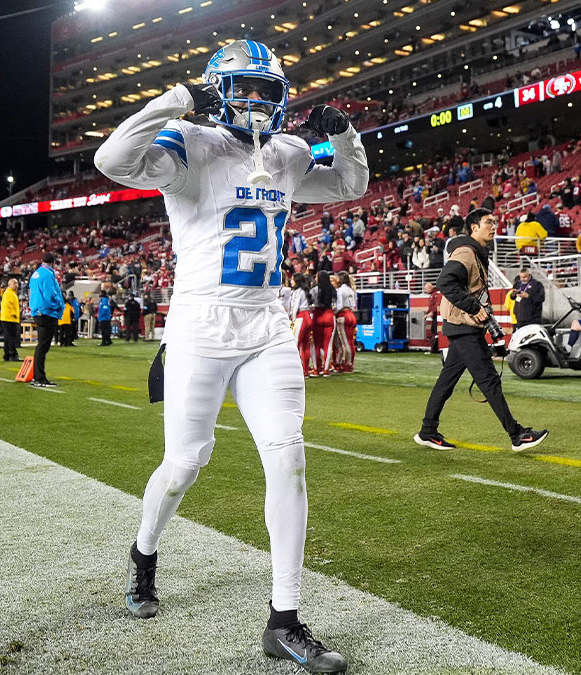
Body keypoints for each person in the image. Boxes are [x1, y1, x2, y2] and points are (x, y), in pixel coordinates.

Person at [94, 37, 367, 672]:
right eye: (241, 88)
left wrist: (347, 133)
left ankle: (285, 620)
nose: (254, 101)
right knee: (186, 463)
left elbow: (350, 184)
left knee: (287, 456)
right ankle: (144, 553)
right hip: (199, 324)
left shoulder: (291, 153)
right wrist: (176, 101)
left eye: (266, 90)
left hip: (268, 323)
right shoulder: (189, 142)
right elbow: (113, 158)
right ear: (218, 93)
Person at [414, 209, 549, 453]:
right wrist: (474, 308)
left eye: (496, 222)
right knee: (489, 381)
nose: (494, 226)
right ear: (474, 227)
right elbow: (445, 282)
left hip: (462, 326)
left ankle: (427, 431)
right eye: (489, 222)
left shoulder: (473, 252)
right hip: (464, 326)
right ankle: (517, 435)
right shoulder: (466, 252)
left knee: (446, 382)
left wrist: (485, 319)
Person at [28, 253, 64, 387]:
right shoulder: (48, 275)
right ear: (53, 263)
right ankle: (39, 377)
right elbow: (50, 295)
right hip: (47, 312)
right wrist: (59, 305)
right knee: (43, 346)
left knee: (41, 345)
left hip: (38, 311)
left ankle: (38, 376)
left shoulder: (35, 274)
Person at [308, 271, 337, 376]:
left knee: (316, 344)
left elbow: (310, 303)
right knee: (328, 344)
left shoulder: (314, 290)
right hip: (329, 315)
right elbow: (335, 305)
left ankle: (316, 369)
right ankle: (326, 369)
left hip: (317, 315)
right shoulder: (332, 289)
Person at [332, 272, 357, 373]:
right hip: (351, 314)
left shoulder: (340, 290)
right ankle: (350, 363)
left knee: (345, 342)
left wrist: (332, 312)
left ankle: (347, 364)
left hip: (343, 315)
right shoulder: (351, 290)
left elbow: (339, 306)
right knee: (350, 342)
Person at [290, 274, 314, 377]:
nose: (291, 281)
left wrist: (293, 319)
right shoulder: (305, 291)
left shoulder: (297, 292)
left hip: (300, 318)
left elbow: (295, 307)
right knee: (305, 346)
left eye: (292, 279)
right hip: (308, 316)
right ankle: (305, 369)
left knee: (295, 345)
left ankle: (294, 370)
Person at [0, 279, 22, 362]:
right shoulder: (9, 293)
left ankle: (7, 355)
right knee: (11, 337)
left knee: (7, 337)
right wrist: (14, 314)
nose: (16, 285)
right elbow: (8, 305)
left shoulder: (10, 293)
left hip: (7, 318)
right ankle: (13, 355)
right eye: (14, 283)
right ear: (9, 284)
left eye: (17, 283)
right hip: (10, 318)